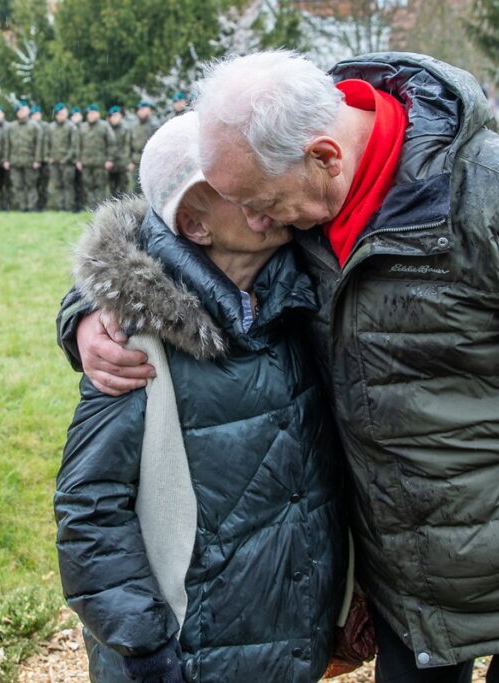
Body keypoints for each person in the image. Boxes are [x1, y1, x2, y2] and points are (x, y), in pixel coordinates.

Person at [61, 51, 499, 683]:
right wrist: (90, 310)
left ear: (327, 157)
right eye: (241, 204)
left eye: (264, 204)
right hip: (405, 589)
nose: (259, 221)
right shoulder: (290, 197)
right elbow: (175, 251)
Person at [55, 112, 345, 683]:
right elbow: (89, 507)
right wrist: (146, 647)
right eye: (239, 188)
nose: (266, 188)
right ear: (194, 224)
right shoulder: (135, 341)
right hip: (189, 660)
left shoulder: (301, 294)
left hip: (289, 650)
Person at [5, 101, 44, 211]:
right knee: (17, 185)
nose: (21, 113)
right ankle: (21, 206)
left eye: (23, 110)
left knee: (31, 185)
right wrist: (6, 160)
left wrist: (37, 160)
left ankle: (32, 206)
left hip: (30, 161)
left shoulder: (34, 126)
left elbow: (39, 144)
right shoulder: (11, 127)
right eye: (19, 111)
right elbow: (7, 144)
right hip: (15, 161)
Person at [79, 104, 115, 208]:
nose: (91, 115)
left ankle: (100, 206)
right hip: (86, 162)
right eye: (89, 113)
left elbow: (111, 144)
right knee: (88, 186)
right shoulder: (83, 127)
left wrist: (110, 159)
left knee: (100, 186)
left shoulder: (105, 126)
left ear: (98, 114)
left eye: (93, 113)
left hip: (100, 162)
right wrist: (79, 160)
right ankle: (90, 206)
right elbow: (78, 145)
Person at [48, 103, 81, 212]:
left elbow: (74, 146)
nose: (61, 116)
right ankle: (60, 207)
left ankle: (69, 207)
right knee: (57, 185)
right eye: (59, 114)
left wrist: (66, 159)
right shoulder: (51, 127)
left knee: (68, 186)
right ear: (56, 115)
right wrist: (49, 157)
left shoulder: (71, 127)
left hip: (67, 163)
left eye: (63, 113)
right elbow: (46, 143)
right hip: (54, 162)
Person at [128, 101, 156, 191]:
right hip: (136, 161)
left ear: (149, 110)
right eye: (139, 110)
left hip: (149, 161)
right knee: (136, 189)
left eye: (143, 109)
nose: (141, 112)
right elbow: (129, 145)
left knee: (149, 188)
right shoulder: (134, 127)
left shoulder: (154, 125)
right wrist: (130, 161)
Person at [107, 106, 131, 197]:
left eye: (116, 116)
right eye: (112, 116)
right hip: (111, 163)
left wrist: (129, 161)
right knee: (112, 187)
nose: (114, 118)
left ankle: (124, 208)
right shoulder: (107, 129)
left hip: (122, 163)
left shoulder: (125, 129)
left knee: (123, 187)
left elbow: (128, 146)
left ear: (120, 116)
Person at [0, 104, 12, 211]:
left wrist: (7, 159)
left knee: (8, 185)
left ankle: (8, 205)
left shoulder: (9, 127)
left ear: (3, 114)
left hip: (7, 161)